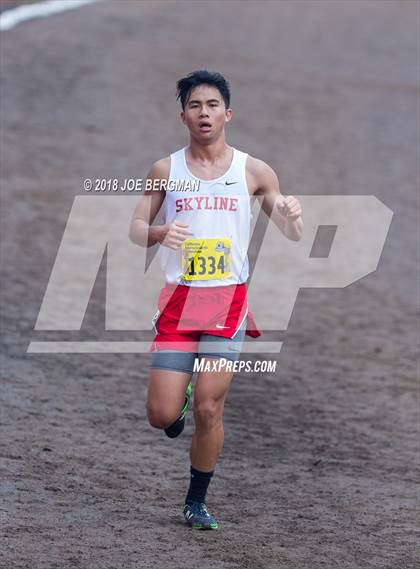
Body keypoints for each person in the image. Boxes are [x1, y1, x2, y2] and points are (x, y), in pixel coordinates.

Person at [129, 70, 303, 530]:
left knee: (212, 407)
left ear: (228, 113)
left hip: (227, 302)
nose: (203, 113)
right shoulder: (166, 170)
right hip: (179, 303)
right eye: (194, 105)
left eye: (211, 105)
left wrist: (291, 215)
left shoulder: (254, 171)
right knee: (160, 415)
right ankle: (177, 399)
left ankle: (195, 500)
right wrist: (159, 231)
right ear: (182, 115)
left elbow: (291, 230)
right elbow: (135, 230)